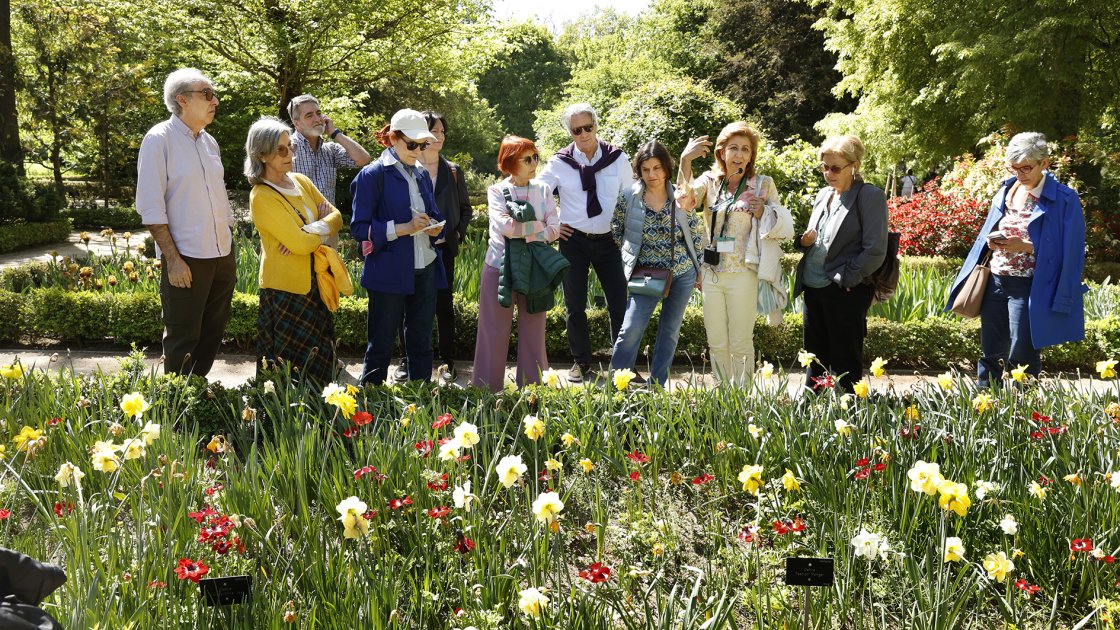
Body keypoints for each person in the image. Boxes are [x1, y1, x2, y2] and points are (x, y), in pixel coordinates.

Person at [945, 132, 1086, 387]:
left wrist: (1026, 247)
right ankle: (984, 407)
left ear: (1045, 163)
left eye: (1026, 167)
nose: (1020, 173)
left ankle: (1022, 416)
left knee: (1021, 353)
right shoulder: (1006, 189)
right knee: (990, 352)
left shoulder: (1065, 199)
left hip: (1029, 285)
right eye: (1014, 167)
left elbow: (1072, 252)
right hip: (995, 280)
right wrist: (993, 241)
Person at [136, 68, 236, 377]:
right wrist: (173, 260)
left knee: (213, 331)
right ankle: (177, 405)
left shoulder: (210, 143)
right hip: (187, 257)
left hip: (222, 254)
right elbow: (150, 207)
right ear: (182, 99)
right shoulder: (158, 140)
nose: (214, 101)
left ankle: (197, 391)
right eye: (206, 94)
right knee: (183, 335)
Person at [678, 123, 793, 386]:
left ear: (752, 155)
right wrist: (685, 161)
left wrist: (763, 211)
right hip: (712, 272)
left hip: (745, 272)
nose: (739, 154)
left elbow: (780, 225)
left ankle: (742, 399)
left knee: (741, 341)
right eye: (733, 148)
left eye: (745, 149)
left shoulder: (763, 184)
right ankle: (722, 397)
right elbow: (685, 202)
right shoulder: (709, 181)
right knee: (716, 340)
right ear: (722, 152)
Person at [245, 117, 347, 385]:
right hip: (286, 291)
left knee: (321, 360)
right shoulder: (262, 196)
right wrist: (319, 231)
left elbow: (337, 217)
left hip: (317, 282)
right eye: (281, 149)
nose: (290, 153)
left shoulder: (301, 181)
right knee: (287, 368)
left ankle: (321, 418)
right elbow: (300, 243)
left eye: (290, 147)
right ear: (261, 154)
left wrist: (310, 230)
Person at [538, 103, 632, 383]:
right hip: (574, 241)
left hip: (610, 241)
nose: (583, 134)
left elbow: (630, 198)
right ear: (570, 132)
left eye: (587, 127)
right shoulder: (559, 162)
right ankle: (581, 363)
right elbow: (536, 193)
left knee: (619, 302)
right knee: (574, 305)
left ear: (596, 125)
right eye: (576, 130)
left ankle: (621, 365)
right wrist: (552, 224)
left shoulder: (617, 158)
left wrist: (627, 233)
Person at [350, 109, 446, 385]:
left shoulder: (422, 174)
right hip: (388, 269)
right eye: (412, 144)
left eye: (422, 144)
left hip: (425, 265)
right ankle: (369, 406)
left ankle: (421, 403)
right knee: (380, 344)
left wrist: (436, 225)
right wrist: (404, 228)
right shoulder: (371, 175)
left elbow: (434, 212)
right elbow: (359, 229)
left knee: (422, 342)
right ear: (393, 138)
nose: (418, 150)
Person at [792, 134, 887, 392]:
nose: (828, 173)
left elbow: (876, 249)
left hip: (845, 289)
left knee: (846, 361)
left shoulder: (869, 196)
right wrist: (804, 241)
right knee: (814, 358)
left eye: (835, 168)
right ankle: (812, 416)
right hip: (812, 286)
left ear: (854, 166)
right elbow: (815, 238)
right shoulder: (824, 195)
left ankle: (849, 416)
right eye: (824, 167)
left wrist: (847, 278)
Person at [472, 136, 566, 392]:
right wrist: (538, 227)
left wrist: (526, 230)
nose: (534, 163)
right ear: (511, 162)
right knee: (493, 330)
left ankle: (533, 391)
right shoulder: (495, 191)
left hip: (536, 270)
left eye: (535, 157)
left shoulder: (544, 190)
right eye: (527, 159)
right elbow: (505, 227)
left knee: (535, 332)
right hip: (499, 267)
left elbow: (555, 229)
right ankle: (486, 391)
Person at [609, 141, 701, 386]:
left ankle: (657, 385)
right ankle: (618, 384)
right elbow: (616, 228)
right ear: (639, 170)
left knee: (669, 332)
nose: (652, 175)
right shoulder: (630, 196)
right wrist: (630, 255)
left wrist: (698, 267)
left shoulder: (680, 195)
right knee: (630, 329)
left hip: (681, 271)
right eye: (646, 169)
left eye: (657, 168)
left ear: (666, 168)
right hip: (646, 274)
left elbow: (694, 231)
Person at [393, 111, 474, 383]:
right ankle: (407, 361)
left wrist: (456, 234)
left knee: (443, 306)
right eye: (434, 132)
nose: (439, 137)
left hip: (442, 249)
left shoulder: (452, 170)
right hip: (412, 244)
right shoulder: (407, 168)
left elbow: (465, 209)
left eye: (442, 132)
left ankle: (447, 360)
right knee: (409, 305)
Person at [287, 94, 371, 248]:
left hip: (329, 228)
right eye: (309, 115)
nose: (317, 119)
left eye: (319, 113)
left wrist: (335, 133)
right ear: (297, 123)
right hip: (299, 230)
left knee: (329, 272)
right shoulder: (288, 149)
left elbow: (363, 159)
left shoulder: (330, 150)